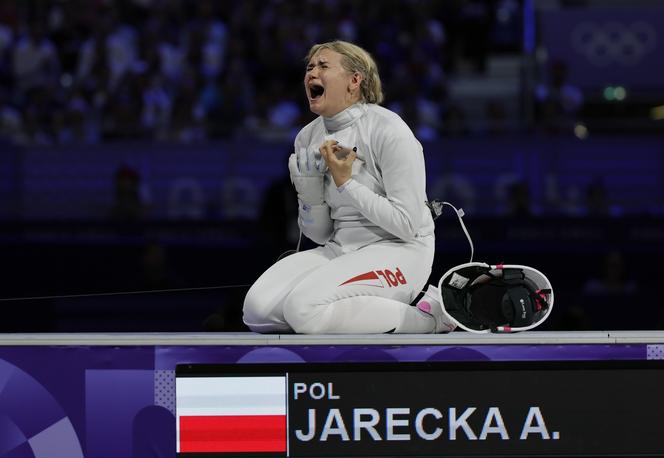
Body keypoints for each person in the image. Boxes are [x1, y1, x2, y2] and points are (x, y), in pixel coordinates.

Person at [242, 40, 446, 334]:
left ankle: (433, 319)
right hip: (342, 249)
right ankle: (341, 319)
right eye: (310, 67)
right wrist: (310, 195)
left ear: (354, 81)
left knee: (303, 308)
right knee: (258, 312)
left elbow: (406, 225)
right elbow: (319, 234)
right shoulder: (307, 137)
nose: (312, 73)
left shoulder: (389, 130)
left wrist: (346, 183)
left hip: (402, 251)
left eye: (323, 66)